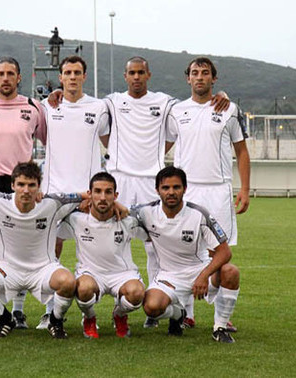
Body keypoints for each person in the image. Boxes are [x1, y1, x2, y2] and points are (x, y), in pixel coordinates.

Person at [102, 56, 231, 329]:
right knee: (113, 238)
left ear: (149, 74)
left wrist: (221, 96)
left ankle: (180, 309)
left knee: (156, 245)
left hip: (151, 177)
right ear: (126, 76)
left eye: (141, 72)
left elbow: (195, 107)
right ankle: (117, 300)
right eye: (132, 72)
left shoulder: (166, 103)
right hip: (121, 177)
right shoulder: (112, 101)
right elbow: (88, 115)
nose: (136, 77)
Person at [0, 161, 85, 339]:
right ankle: (5, 319)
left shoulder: (52, 203)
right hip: (7, 269)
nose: (26, 190)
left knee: (68, 282)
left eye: (31, 185)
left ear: (38, 187)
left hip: (43, 269)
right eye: (21, 184)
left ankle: (55, 321)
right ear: (12, 185)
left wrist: (118, 206)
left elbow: (85, 196)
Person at [166, 57, 250, 329]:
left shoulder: (229, 109)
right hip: (186, 192)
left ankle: (222, 319)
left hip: (219, 191)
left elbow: (241, 151)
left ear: (214, 79)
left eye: (205, 73)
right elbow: (160, 144)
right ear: (187, 79)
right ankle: (186, 312)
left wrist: (245, 189)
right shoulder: (176, 111)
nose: (199, 77)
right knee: (184, 250)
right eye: (194, 73)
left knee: (221, 254)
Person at [0, 57, 47, 330]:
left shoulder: (33, 107)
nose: (5, 78)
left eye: (10, 73)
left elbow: (52, 142)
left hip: (22, 184)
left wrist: (41, 183)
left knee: (20, 246)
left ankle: (17, 311)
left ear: (19, 77)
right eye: (0, 73)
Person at [37, 55, 110, 329]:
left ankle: (87, 310)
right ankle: (50, 311)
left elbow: (109, 141)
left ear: (84, 76)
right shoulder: (47, 106)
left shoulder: (100, 107)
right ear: (60, 77)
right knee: (50, 256)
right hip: (54, 193)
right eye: (67, 72)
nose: (72, 77)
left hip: (87, 196)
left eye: (77, 72)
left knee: (91, 254)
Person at [134, 166, 240, 343]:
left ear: (185, 189)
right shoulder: (146, 213)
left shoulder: (199, 214)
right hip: (169, 275)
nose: (171, 192)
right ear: (157, 191)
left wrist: (203, 275)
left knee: (231, 271)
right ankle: (178, 314)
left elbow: (224, 252)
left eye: (176, 187)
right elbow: (120, 212)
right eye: (165, 188)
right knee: (151, 308)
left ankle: (220, 327)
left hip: (200, 270)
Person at [64, 172, 145, 338]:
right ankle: (89, 318)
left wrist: (126, 210)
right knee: (84, 288)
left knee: (136, 293)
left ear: (115, 196)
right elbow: (53, 204)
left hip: (122, 274)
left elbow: (152, 223)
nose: (102, 197)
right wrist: (79, 202)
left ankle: (120, 315)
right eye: (97, 191)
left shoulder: (128, 221)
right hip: (91, 274)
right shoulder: (75, 219)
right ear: (90, 194)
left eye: (108, 192)